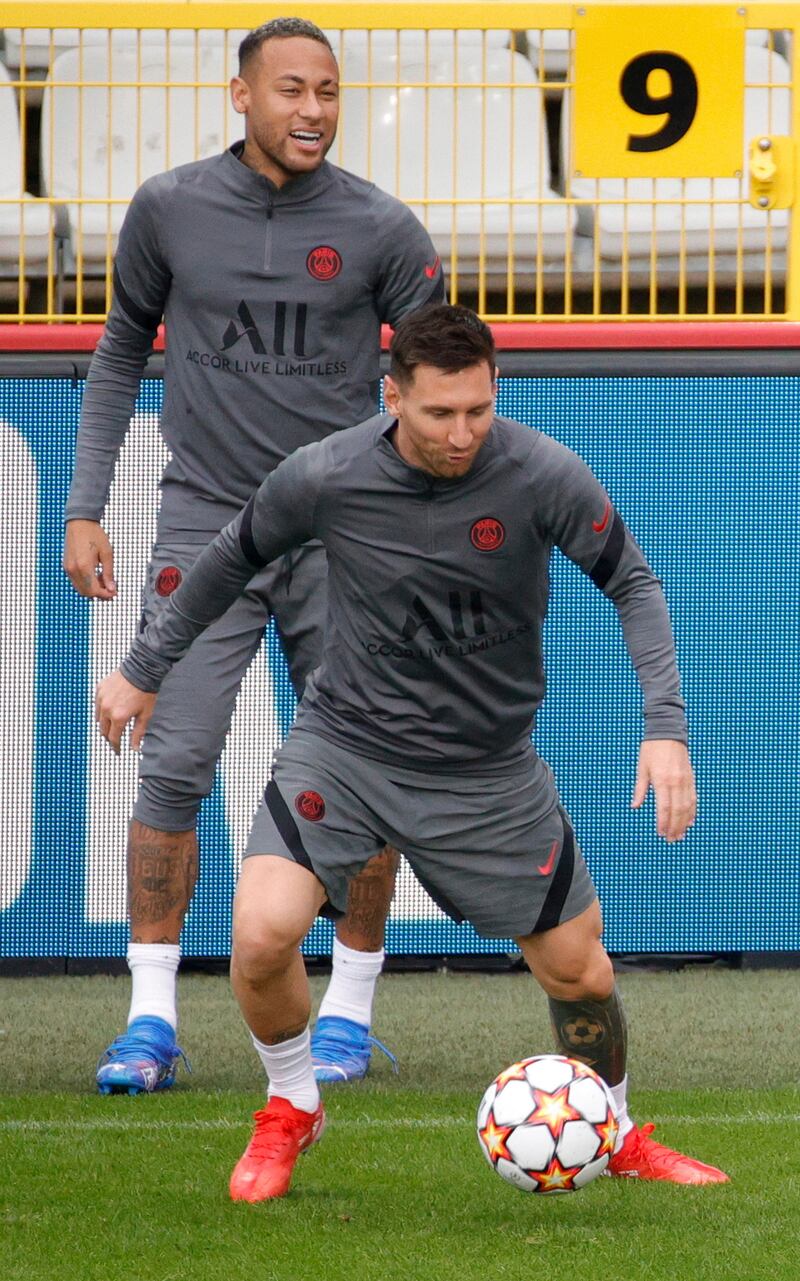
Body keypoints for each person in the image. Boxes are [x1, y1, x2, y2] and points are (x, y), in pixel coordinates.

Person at [96, 303, 729, 1199]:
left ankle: (615, 1131)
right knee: (260, 934)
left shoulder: (541, 471)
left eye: (477, 408)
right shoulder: (324, 474)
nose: (462, 431)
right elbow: (227, 558)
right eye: (438, 413)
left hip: (489, 771)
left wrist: (666, 726)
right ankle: (291, 1106)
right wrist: (143, 667)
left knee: (580, 970)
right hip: (346, 750)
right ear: (391, 395)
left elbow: (631, 579)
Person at [63, 17, 445, 1095]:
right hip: (206, 528)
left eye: (327, 90)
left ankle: (348, 1013)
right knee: (173, 760)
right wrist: (84, 506)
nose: (313, 110)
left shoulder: (383, 228)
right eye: (289, 89)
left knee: (366, 773)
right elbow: (117, 353)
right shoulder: (168, 209)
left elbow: (436, 387)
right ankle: (148, 1021)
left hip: (350, 539)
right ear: (239, 96)